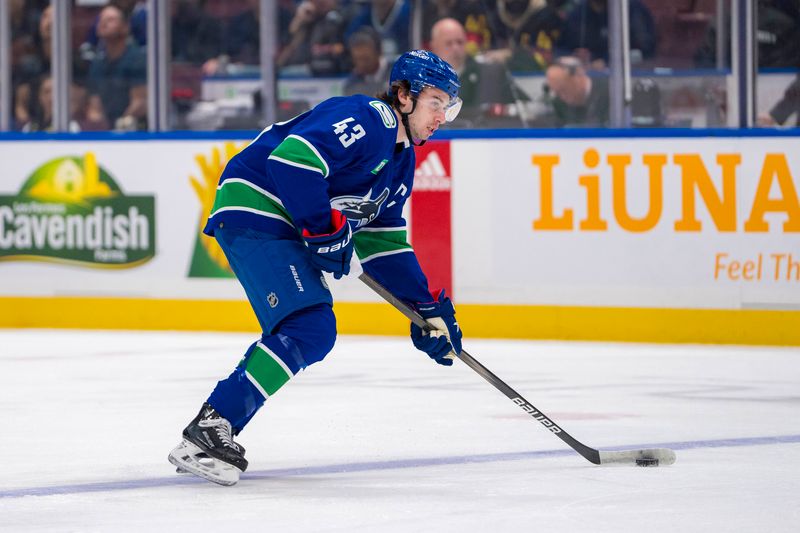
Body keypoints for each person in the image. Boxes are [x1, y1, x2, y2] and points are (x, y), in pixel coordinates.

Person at [168, 50, 465, 486]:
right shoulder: (372, 118)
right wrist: (324, 231)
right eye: (436, 102)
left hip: (278, 220)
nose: (442, 115)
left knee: (310, 329)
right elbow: (292, 162)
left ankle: (214, 426)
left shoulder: (401, 160)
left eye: (449, 106)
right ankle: (209, 430)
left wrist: (424, 308)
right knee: (310, 327)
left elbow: (383, 243)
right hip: (255, 206)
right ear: (403, 95)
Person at [429, 17, 529, 126]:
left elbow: (526, 108)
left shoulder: (492, 74)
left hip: (485, 139)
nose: (456, 48)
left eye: (460, 42)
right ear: (433, 46)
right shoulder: (423, 80)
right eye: (449, 43)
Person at [86, 4, 147, 130]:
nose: (103, 23)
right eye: (101, 19)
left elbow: (140, 102)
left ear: (125, 27)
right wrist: (100, 125)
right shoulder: (97, 63)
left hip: (136, 128)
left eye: (110, 20)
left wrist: (119, 127)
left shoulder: (137, 59)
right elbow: (95, 105)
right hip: (106, 128)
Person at [342, 27, 392, 97]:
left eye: (365, 59)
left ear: (379, 52)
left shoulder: (398, 75)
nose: (361, 65)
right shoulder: (351, 84)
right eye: (357, 59)